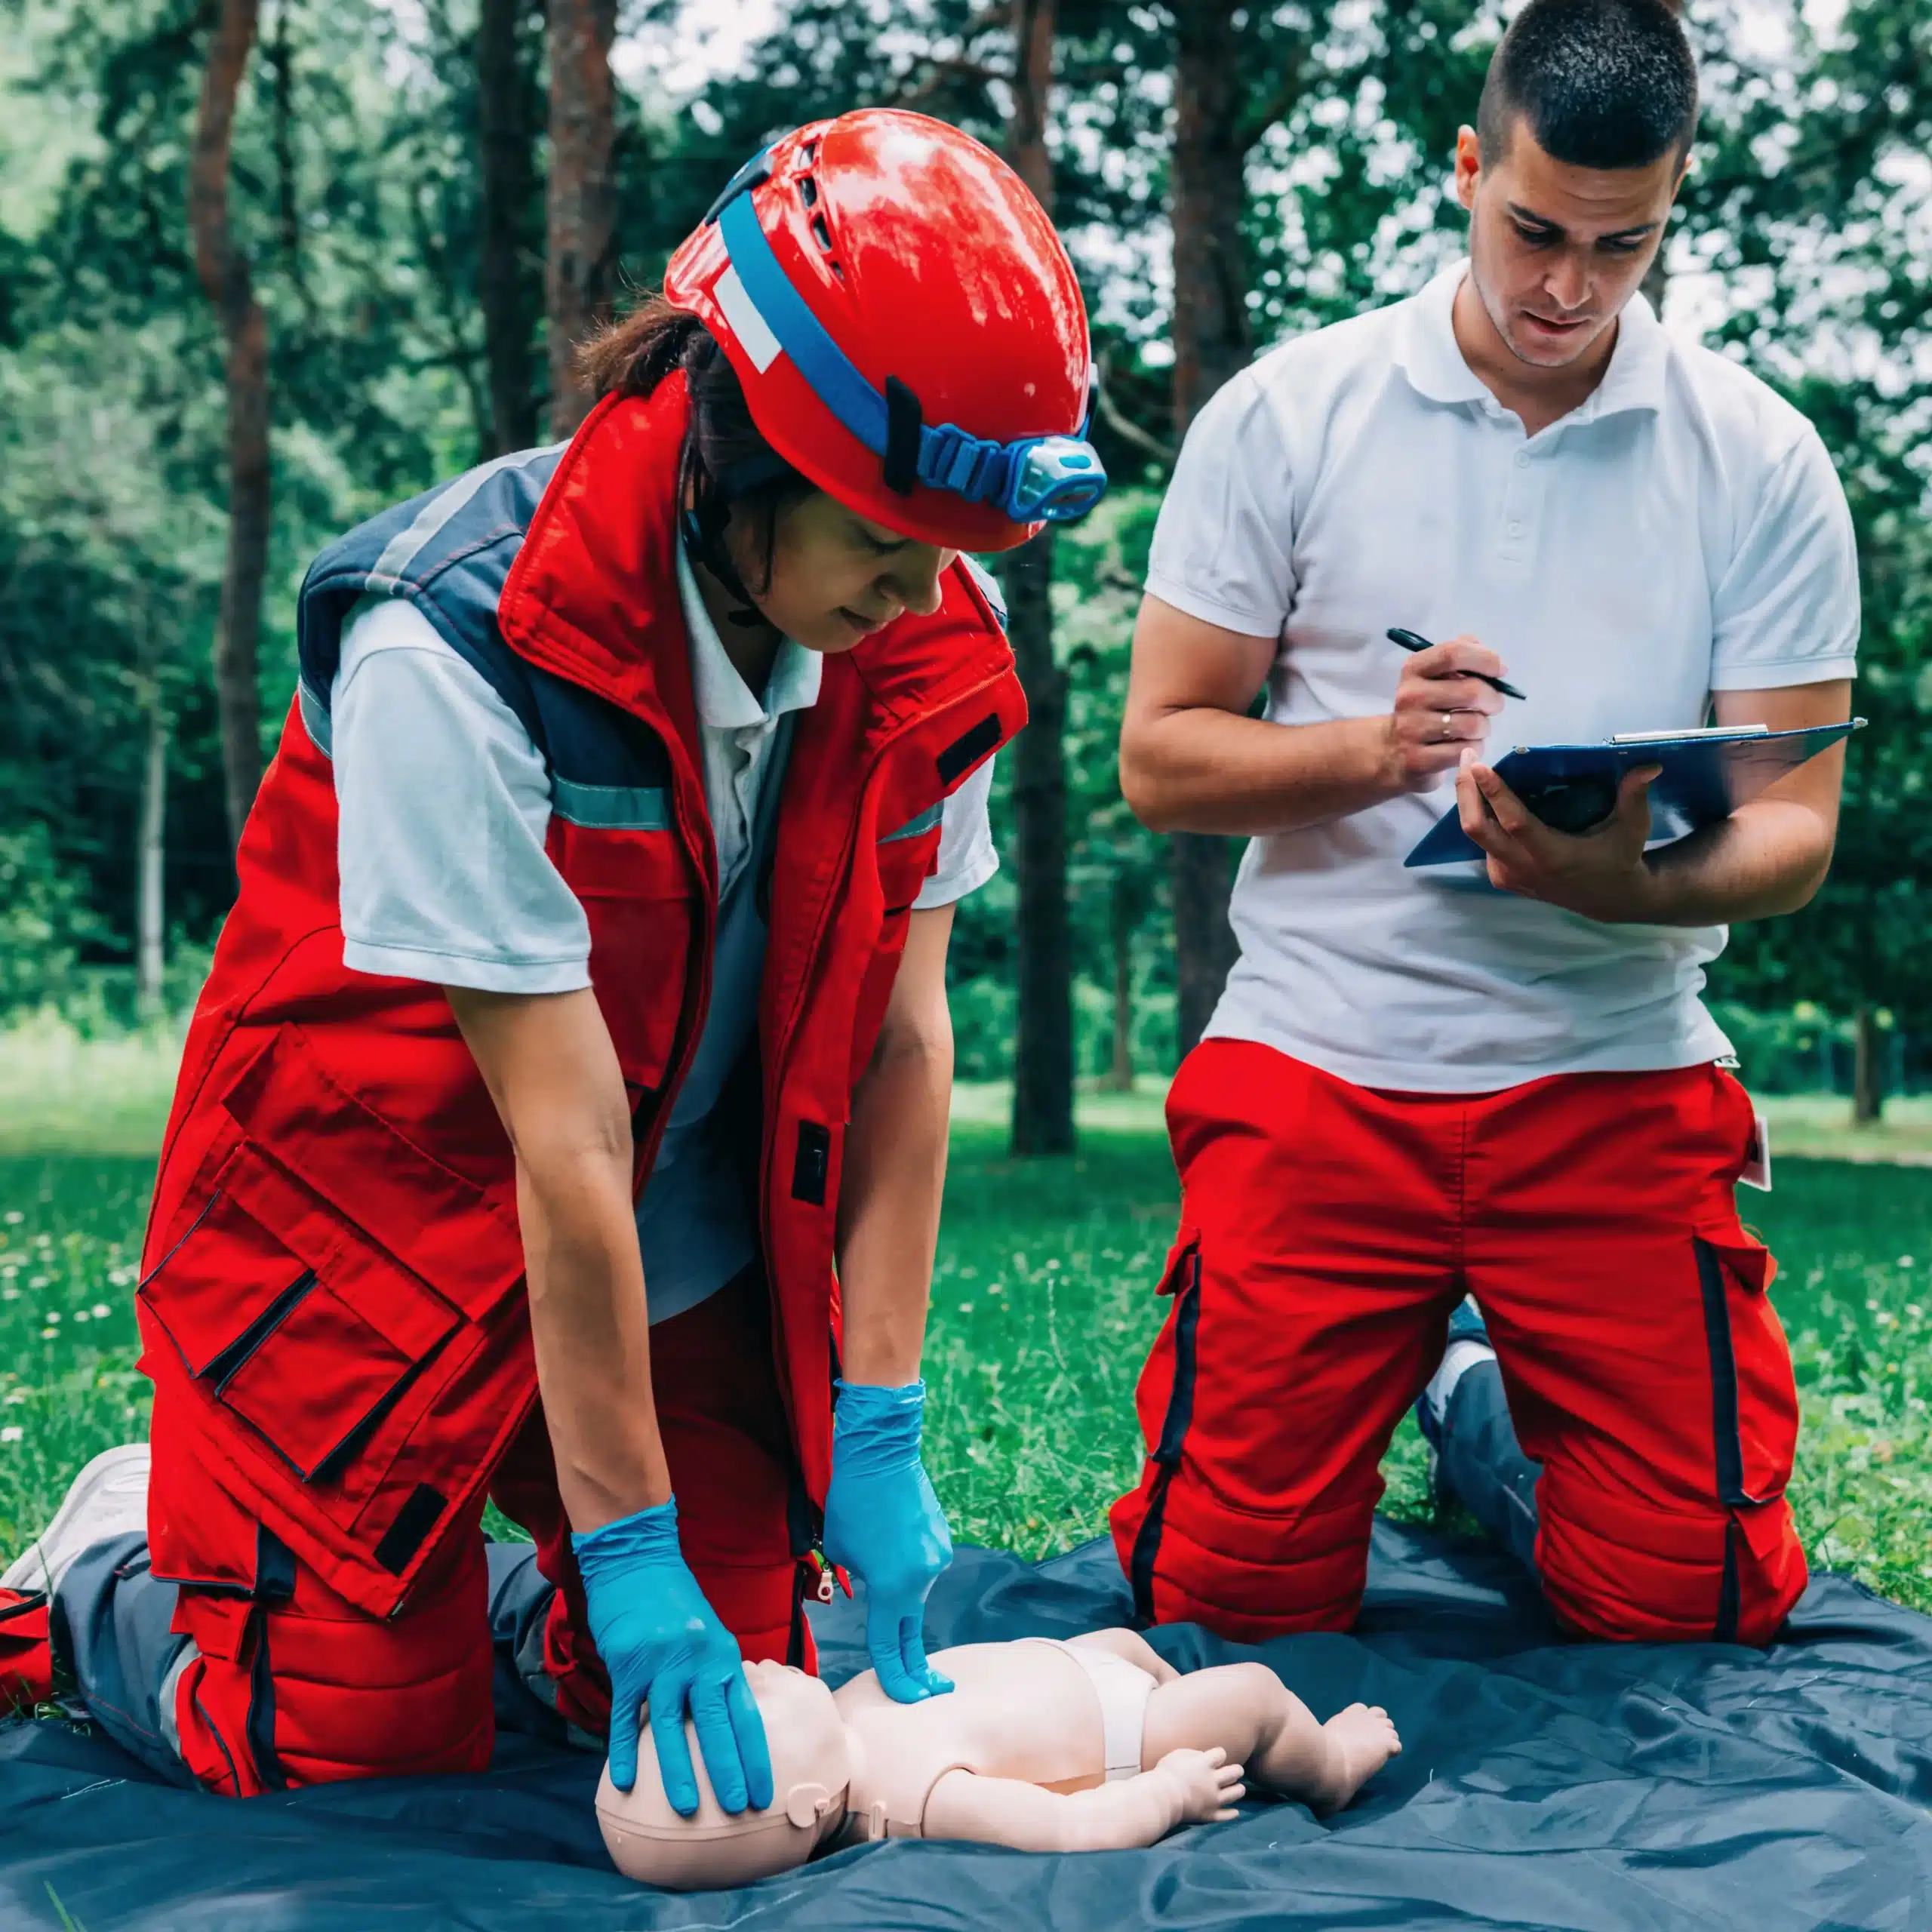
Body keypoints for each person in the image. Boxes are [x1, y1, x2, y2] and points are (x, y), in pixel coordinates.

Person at [0, 108, 1107, 1807]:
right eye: (881, 537)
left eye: (947, 551)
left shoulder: (919, 646)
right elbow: (563, 1135)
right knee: (346, 1751)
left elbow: (903, 1049)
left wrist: (874, 1422)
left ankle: (507, 1593)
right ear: (745, 439)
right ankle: (109, 1566)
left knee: (738, 1719)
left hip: (658, 1263)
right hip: (371, 1258)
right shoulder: (449, 641)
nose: (920, 591)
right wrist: (633, 1537)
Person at [1109, 0, 1857, 1648]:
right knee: (1219, 1599)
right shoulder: (1285, 416)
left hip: (1613, 1068)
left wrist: (1621, 883)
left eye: (1620, 244)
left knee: (1695, 1596)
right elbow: (1157, 758)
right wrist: (1373, 753)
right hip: (1320, 1058)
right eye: (1531, 229)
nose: (1565, 287)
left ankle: (1477, 1422)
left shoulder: (1759, 460)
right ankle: (1438, 1383)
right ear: (1465, 166)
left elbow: (1792, 829)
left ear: (1670, 210)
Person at [595, 1629, 1401, 1888]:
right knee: (1252, 1693)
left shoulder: (829, 1732)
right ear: (808, 1803)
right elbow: (1066, 1829)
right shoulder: (924, 1801)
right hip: (1129, 1734)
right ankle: (1327, 1765)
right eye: (741, 1718)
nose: (737, 1685)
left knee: (1129, 1643)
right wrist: (1167, 1792)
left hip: (1079, 1667)